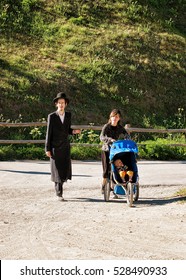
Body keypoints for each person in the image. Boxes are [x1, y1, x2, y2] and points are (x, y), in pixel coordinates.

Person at [45, 92, 81, 201]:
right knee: (56, 170)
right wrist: (47, 148)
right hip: (55, 147)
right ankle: (59, 193)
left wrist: (73, 131)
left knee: (64, 169)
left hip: (65, 147)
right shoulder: (51, 116)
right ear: (56, 104)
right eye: (59, 103)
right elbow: (48, 133)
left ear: (66, 104)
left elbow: (67, 130)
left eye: (63, 103)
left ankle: (60, 189)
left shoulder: (68, 115)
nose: (61, 105)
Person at [100, 109, 130, 194]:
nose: (114, 118)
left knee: (116, 168)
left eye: (116, 117)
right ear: (110, 117)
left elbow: (126, 135)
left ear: (119, 118)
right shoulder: (106, 126)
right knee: (106, 170)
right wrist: (110, 140)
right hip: (106, 150)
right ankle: (104, 185)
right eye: (113, 116)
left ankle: (115, 187)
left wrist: (127, 140)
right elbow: (101, 137)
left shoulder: (120, 128)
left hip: (116, 150)